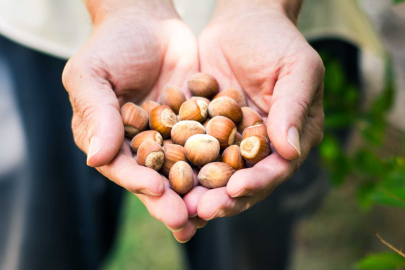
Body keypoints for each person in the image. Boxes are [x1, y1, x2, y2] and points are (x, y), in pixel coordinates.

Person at [4, 0, 388, 269]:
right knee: (43, 240)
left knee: (246, 251)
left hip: (273, 48)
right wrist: (125, 8)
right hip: (58, 30)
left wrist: (260, 6)